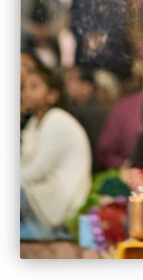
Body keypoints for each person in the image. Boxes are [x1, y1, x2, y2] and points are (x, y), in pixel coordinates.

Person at [20, 64, 92, 240]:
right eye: (23, 88)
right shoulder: (34, 123)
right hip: (44, 189)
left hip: (63, 196)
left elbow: (37, 170)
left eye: (34, 87)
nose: (26, 93)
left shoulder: (57, 121)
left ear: (52, 95)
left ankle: (45, 231)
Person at [69, 0, 133, 84]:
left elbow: (121, 22)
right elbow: (73, 23)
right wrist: (86, 37)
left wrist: (104, 38)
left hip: (112, 57)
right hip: (86, 57)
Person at [63, 64, 112, 173]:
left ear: (87, 86)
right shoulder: (91, 107)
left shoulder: (89, 111)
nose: (67, 85)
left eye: (72, 80)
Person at [21, 0, 66, 68]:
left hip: (48, 44)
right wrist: (33, 29)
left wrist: (47, 30)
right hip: (26, 44)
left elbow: (61, 18)